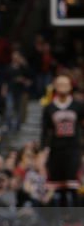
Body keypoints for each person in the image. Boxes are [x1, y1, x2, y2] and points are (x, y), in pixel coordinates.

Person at [40, 74, 83, 208]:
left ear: (70, 87)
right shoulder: (49, 108)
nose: (62, 87)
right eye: (60, 84)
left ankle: (77, 219)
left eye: (65, 84)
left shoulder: (78, 106)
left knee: (73, 185)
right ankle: (63, 219)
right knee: (60, 187)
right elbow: (44, 131)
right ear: (55, 87)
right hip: (56, 150)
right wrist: (43, 149)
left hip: (73, 149)